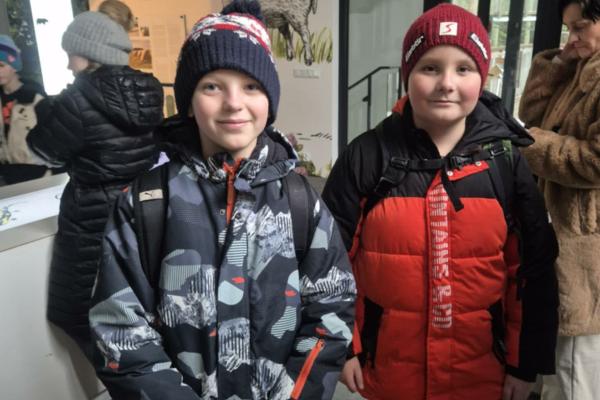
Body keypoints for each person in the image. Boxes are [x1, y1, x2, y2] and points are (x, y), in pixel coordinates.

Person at [89, 1, 356, 399]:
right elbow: (119, 329)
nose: (234, 102)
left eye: (251, 86)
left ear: (269, 100)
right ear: (189, 101)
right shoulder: (145, 203)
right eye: (212, 86)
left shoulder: (300, 201)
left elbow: (330, 308)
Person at [323, 4, 559, 400]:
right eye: (430, 67)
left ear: (482, 78)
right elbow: (328, 263)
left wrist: (524, 363)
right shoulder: (367, 156)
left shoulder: (505, 162)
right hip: (390, 372)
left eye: (463, 69)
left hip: (480, 371)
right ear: (408, 75)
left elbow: (532, 270)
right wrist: (344, 347)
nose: (446, 83)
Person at [26, 2, 164, 359]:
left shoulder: (76, 100)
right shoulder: (149, 90)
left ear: (89, 54)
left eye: (70, 55)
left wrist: (45, 110)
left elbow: (42, 151)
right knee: (135, 306)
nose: (67, 64)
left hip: (91, 220)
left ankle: (123, 378)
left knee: (73, 312)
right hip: (141, 213)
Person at [518, 1, 600, 399]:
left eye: (580, 27)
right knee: (554, 367)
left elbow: (596, 161)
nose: (572, 38)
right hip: (559, 235)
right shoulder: (580, 69)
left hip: (587, 249)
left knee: (573, 372)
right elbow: (532, 114)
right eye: (568, 28)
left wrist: (531, 143)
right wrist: (557, 65)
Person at [0, 34, 47, 184]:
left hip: (38, 172)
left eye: (1, 65)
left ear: (14, 65)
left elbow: (51, 135)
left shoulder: (34, 96)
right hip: (7, 175)